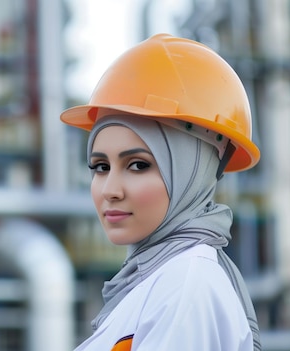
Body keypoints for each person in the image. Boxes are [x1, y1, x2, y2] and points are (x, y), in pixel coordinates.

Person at [60, 33, 261, 350]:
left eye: (138, 165)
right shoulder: (157, 282)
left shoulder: (186, 289)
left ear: (192, 172)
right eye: (100, 167)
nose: (110, 190)